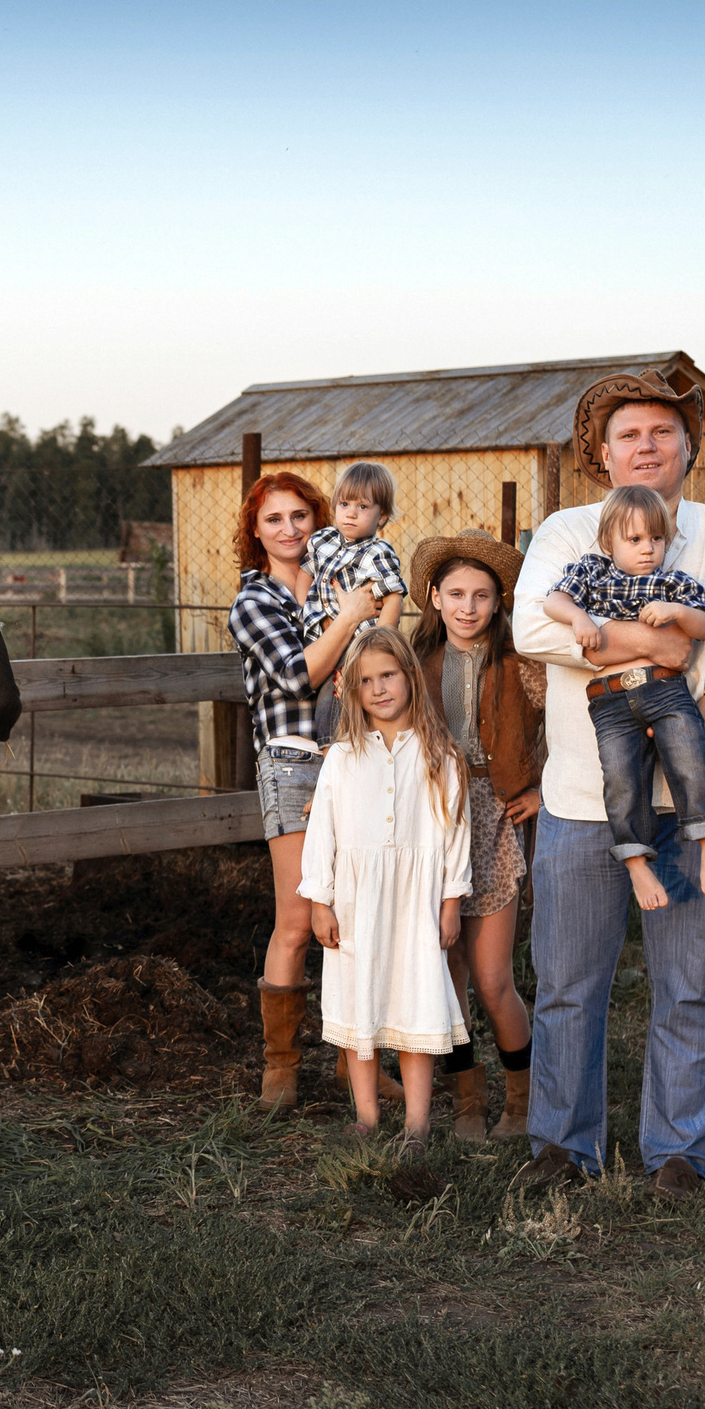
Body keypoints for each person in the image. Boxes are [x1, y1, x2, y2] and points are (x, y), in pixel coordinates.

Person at [512, 370, 705, 1201]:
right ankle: (563, 1146)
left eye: (662, 432)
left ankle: (678, 1154)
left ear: (688, 448)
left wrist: (694, 715)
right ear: (602, 455)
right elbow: (530, 625)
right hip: (582, 795)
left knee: (690, 985)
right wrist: (658, 647)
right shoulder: (567, 531)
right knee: (568, 983)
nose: (646, 446)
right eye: (628, 434)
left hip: (697, 795)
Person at [231, 472, 376, 1112]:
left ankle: (354, 1064)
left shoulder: (336, 580)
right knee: (296, 920)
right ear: (256, 532)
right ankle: (281, 1069)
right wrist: (349, 618)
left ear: (318, 521)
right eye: (274, 519)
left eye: (300, 516)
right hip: (292, 762)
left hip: (358, 758)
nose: (289, 529)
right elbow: (296, 676)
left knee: (357, 915)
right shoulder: (252, 603)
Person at [300, 628, 472, 1150]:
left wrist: (451, 901)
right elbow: (322, 832)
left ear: (410, 678)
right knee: (362, 1010)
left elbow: (456, 833)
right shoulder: (342, 757)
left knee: (416, 1008)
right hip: (357, 906)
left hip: (416, 906)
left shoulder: (441, 754)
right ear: (352, 691)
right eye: (365, 681)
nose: (378, 689)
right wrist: (320, 901)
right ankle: (367, 1117)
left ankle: (418, 1125)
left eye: (388, 675)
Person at [408, 530, 544, 1140]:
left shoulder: (523, 663)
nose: (468, 607)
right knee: (448, 973)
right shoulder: (416, 662)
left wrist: (543, 788)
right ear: (435, 598)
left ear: (498, 602)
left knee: (492, 978)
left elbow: (579, 724)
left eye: (482, 596)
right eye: (456, 594)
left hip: (494, 817)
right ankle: (468, 1099)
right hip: (433, 819)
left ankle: (523, 1100)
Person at [542, 485, 705, 910]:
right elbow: (553, 601)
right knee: (621, 778)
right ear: (609, 542)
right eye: (635, 539)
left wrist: (678, 612)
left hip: (664, 691)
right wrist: (579, 617)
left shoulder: (672, 582)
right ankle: (636, 863)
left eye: (656, 538)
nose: (648, 548)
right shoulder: (591, 572)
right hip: (609, 703)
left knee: (690, 754)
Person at [305, 462, 410, 641]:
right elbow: (305, 573)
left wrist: (380, 643)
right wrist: (304, 610)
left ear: (381, 517)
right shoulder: (322, 539)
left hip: (361, 640)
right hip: (321, 635)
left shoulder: (379, 552)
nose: (351, 514)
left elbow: (393, 599)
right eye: (344, 504)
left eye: (362, 506)